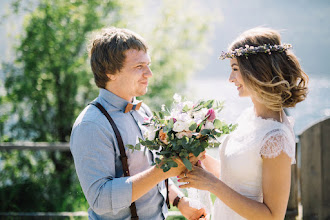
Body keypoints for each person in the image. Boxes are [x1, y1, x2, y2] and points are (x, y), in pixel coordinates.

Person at [70, 27, 207, 220]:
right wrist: (163, 170)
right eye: (139, 67)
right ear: (110, 72)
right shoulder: (91, 125)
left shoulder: (143, 111)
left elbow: (150, 175)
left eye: (148, 65)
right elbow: (100, 200)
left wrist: (180, 202)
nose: (149, 73)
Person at [178, 27, 308, 219]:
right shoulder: (248, 117)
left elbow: (273, 216)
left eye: (235, 69)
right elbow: (237, 177)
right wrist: (198, 155)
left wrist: (212, 184)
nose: (231, 79)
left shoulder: (276, 138)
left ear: (257, 71)